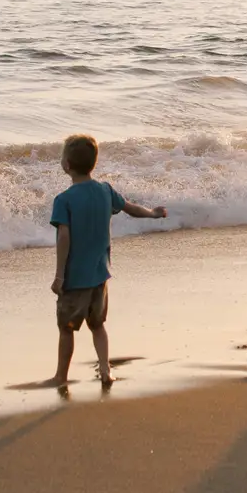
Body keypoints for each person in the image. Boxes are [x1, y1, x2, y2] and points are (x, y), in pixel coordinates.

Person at [49, 134, 165, 389]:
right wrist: (153, 214)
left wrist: (59, 276)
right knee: (98, 325)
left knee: (67, 327)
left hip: (75, 278)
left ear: (66, 164)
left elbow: (64, 237)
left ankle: (61, 376)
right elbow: (130, 208)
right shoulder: (105, 191)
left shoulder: (64, 200)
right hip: (100, 275)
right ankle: (105, 370)